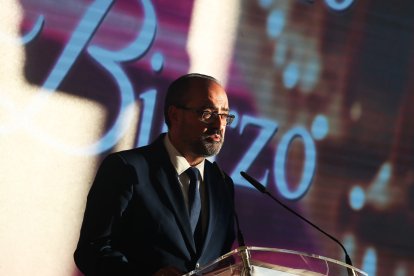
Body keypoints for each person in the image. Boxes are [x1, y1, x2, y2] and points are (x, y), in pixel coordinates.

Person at [74, 73, 236, 276]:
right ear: (175, 114)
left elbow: (223, 259)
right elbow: (91, 250)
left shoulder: (222, 183)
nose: (219, 125)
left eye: (225, 116)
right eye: (207, 113)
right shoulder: (127, 168)